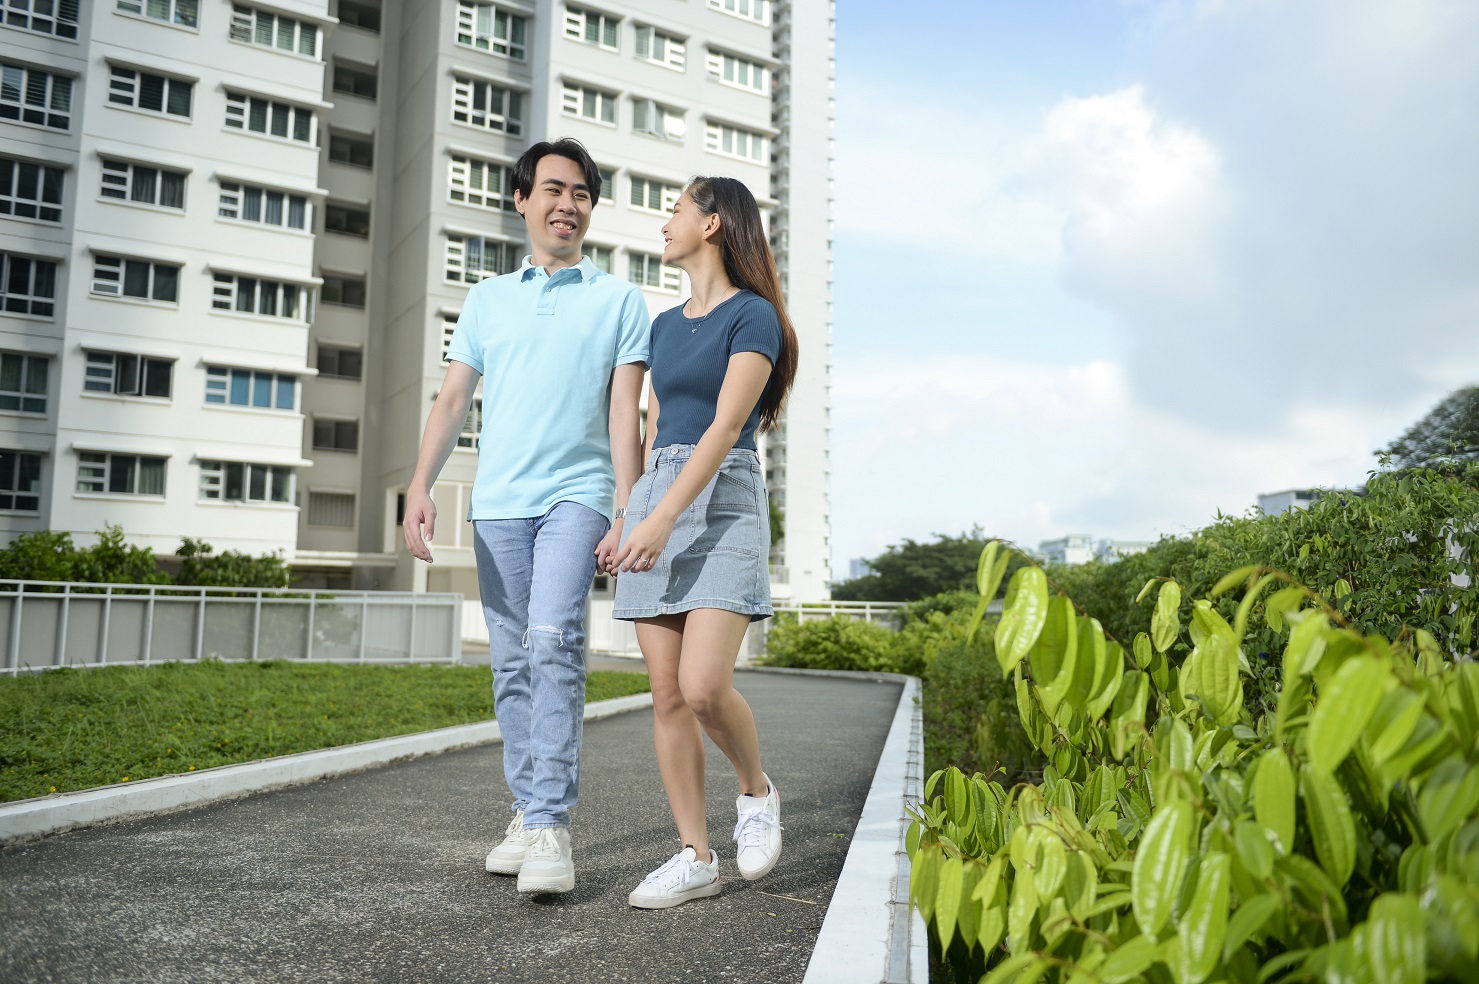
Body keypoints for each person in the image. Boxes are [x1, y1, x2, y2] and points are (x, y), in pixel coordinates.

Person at [402, 138, 649, 896]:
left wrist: (626, 507)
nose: (566, 204)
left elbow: (623, 413)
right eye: (552, 189)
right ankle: (526, 809)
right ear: (522, 200)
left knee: (551, 638)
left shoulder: (619, 301)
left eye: (580, 193)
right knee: (509, 660)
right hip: (499, 503)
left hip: (576, 495)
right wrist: (418, 486)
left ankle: (550, 826)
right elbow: (451, 400)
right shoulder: (487, 298)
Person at [608, 176, 799, 910]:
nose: (666, 222)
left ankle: (755, 793)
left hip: (722, 497)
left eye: (677, 210)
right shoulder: (662, 325)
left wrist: (662, 520)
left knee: (702, 687)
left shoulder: (753, 318)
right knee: (663, 695)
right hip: (658, 490)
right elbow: (655, 428)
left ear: (714, 224)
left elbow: (723, 428)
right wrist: (631, 513)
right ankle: (695, 855)